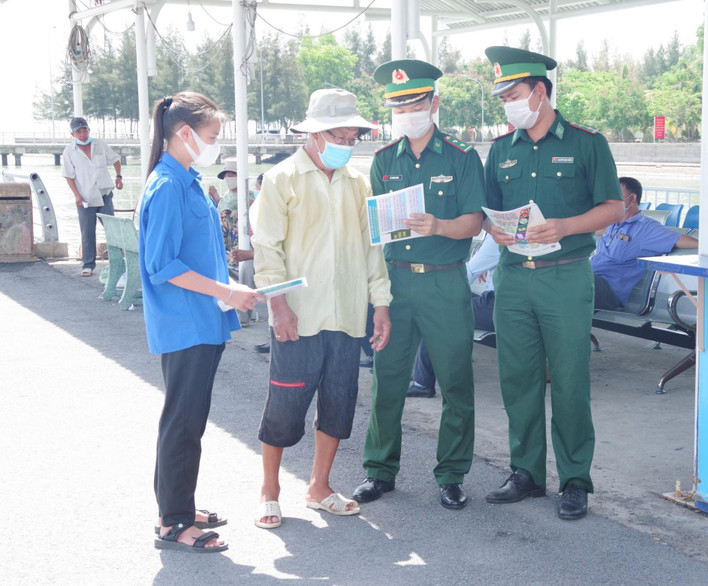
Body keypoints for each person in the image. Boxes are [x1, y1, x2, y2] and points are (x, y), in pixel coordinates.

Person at [482, 46, 624, 520]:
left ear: (539, 92)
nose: (508, 104)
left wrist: (565, 226)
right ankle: (525, 472)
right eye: (503, 96)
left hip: (564, 277)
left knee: (568, 380)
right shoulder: (502, 149)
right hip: (513, 278)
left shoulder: (587, 143)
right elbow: (485, 210)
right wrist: (492, 229)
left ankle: (575, 480)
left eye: (514, 94)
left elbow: (613, 208)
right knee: (517, 380)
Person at [252, 88, 392, 526]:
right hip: (300, 312)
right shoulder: (281, 179)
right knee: (285, 404)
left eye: (353, 135)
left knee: (338, 402)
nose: (347, 142)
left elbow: (373, 248)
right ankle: (269, 490)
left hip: (348, 312)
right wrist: (278, 306)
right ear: (313, 134)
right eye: (339, 133)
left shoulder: (359, 182)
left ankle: (319, 485)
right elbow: (267, 248)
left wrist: (381, 304)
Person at [353, 59, 487, 511]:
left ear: (434, 102)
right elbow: (374, 229)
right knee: (386, 380)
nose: (406, 111)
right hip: (395, 285)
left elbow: (474, 222)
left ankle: (451, 474)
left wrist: (438, 226)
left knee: (454, 382)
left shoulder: (462, 157)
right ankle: (379, 471)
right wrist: (376, 294)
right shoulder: (384, 160)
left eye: (414, 102)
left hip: (445, 284)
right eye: (398, 105)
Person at [139, 92, 264, 553]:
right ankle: (173, 522)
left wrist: (230, 286)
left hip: (199, 319)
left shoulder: (187, 180)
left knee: (186, 419)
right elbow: (161, 264)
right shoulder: (168, 186)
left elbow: (202, 256)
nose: (216, 145)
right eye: (212, 137)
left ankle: (177, 505)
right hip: (185, 322)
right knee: (183, 422)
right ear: (185, 134)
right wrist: (227, 291)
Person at [407, 233, 500, 397]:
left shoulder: (497, 234)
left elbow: (468, 272)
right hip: (495, 298)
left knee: (435, 313)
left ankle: (422, 384)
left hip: (496, 303)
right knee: (440, 306)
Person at [592, 177, 698, 310]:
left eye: (616, 197)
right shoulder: (613, 224)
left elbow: (681, 240)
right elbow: (596, 230)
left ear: (632, 199)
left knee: (570, 279)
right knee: (565, 273)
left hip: (609, 290)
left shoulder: (647, 229)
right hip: (590, 280)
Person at [61, 116, 123, 276]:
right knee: (87, 231)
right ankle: (87, 265)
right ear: (72, 134)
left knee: (112, 229)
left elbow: (115, 159)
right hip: (85, 197)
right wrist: (77, 196)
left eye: (85, 130)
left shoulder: (100, 144)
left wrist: (118, 176)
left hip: (105, 194)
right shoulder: (69, 151)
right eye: (79, 132)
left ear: (89, 130)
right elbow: (69, 175)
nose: (83, 134)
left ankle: (117, 262)